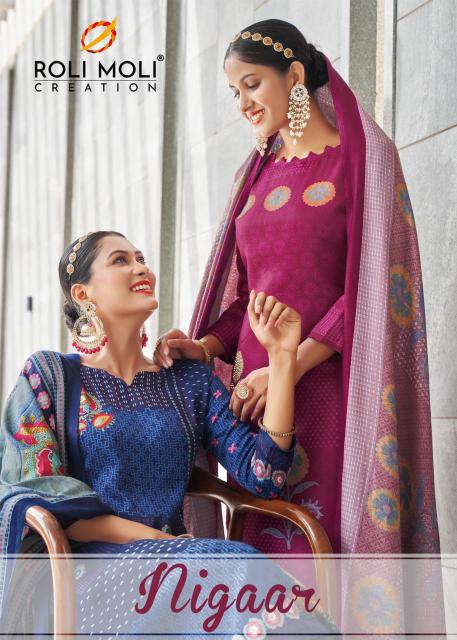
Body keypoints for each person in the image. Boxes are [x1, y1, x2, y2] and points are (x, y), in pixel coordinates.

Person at [153, 18, 441, 560]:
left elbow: (372, 290)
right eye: (234, 92)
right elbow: (246, 297)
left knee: (322, 549)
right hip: (254, 398)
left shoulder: (362, 160)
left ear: (294, 76)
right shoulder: (254, 174)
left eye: (252, 84)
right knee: (259, 549)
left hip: (330, 387)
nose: (243, 103)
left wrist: (289, 367)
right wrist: (206, 347)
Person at [0, 230, 341, 637]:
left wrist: (282, 360)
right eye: (120, 260)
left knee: (229, 571)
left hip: (177, 566)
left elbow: (266, 476)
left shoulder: (189, 381)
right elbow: (44, 497)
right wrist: (166, 543)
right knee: (229, 567)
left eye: (141, 259)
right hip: (81, 575)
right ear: (83, 293)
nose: (141, 268)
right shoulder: (50, 376)